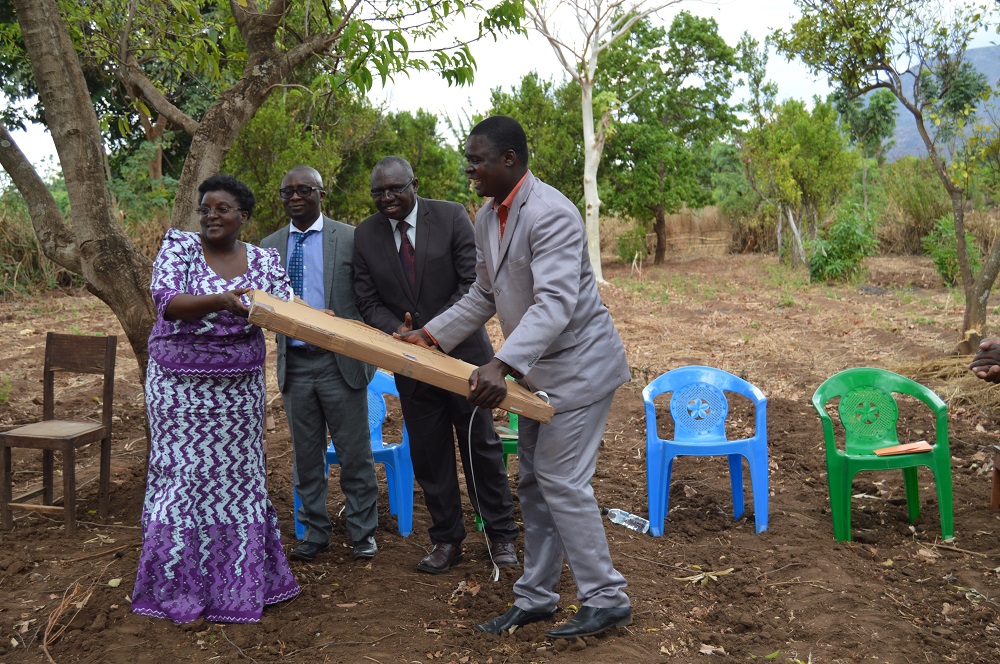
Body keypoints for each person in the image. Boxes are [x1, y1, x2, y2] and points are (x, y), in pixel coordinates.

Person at [397, 116, 633, 639]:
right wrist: (431, 336)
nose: (469, 169)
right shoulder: (488, 216)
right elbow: (484, 294)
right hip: (537, 374)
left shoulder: (552, 214)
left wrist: (500, 364)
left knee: (560, 479)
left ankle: (606, 597)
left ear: (509, 159)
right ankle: (537, 598)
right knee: (534, 482)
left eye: (477, 160)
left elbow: (555, 304)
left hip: (580, 368)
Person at [133, 174, 300, 623]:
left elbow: (286, 308)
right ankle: (176, 582)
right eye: (205, 208)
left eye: (222, 208)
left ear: (242, 216)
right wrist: (220, 301)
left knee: (238, 479)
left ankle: (238, 583)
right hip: (177, 390)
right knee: (183, 476)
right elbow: (167, 301)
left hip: (238, 393)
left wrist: (320, 319)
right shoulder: (180, 247)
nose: (211, 215)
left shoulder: (264, 259)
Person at [353, 155, 520, 574]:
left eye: (395, 188)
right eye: (378, 192)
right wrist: (397, 330)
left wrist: (431, 332)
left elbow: (472, 284)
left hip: (465, 357)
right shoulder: (366, 234)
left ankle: (500, 535)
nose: (387, 198)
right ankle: (447, 540)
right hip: (409, 362)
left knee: (480, 447)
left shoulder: (450, 216)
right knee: (430, 454)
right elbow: (366, 298)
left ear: (414, 184)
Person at [261, 166, 379, 563]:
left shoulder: (349, 238)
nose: (295, 197)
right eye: (287, 191)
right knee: (306, 457)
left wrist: (354, 335)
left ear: (321, 194)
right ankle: (314, 532)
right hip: (294, 365)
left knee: (355, 454)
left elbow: (368, 299)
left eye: (304, 189)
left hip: (339, 363)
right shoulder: (269, 246)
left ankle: (363, 533)